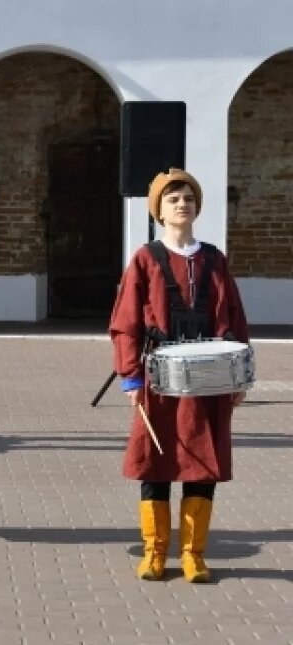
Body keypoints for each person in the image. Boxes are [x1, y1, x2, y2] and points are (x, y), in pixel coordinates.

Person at [109, 168, 249, 583]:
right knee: (155, 461)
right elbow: (126, 321)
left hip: (209, 379)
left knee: (201, 464)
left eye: (188, 198)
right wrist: (130, 377)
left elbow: (236, 318)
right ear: (159, 210)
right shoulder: (145, 259)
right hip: (159, 378)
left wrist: (238, 376)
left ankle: (193, 554)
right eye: (173, 200)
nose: (182, 205)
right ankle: (154, 552)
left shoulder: (214, 260)